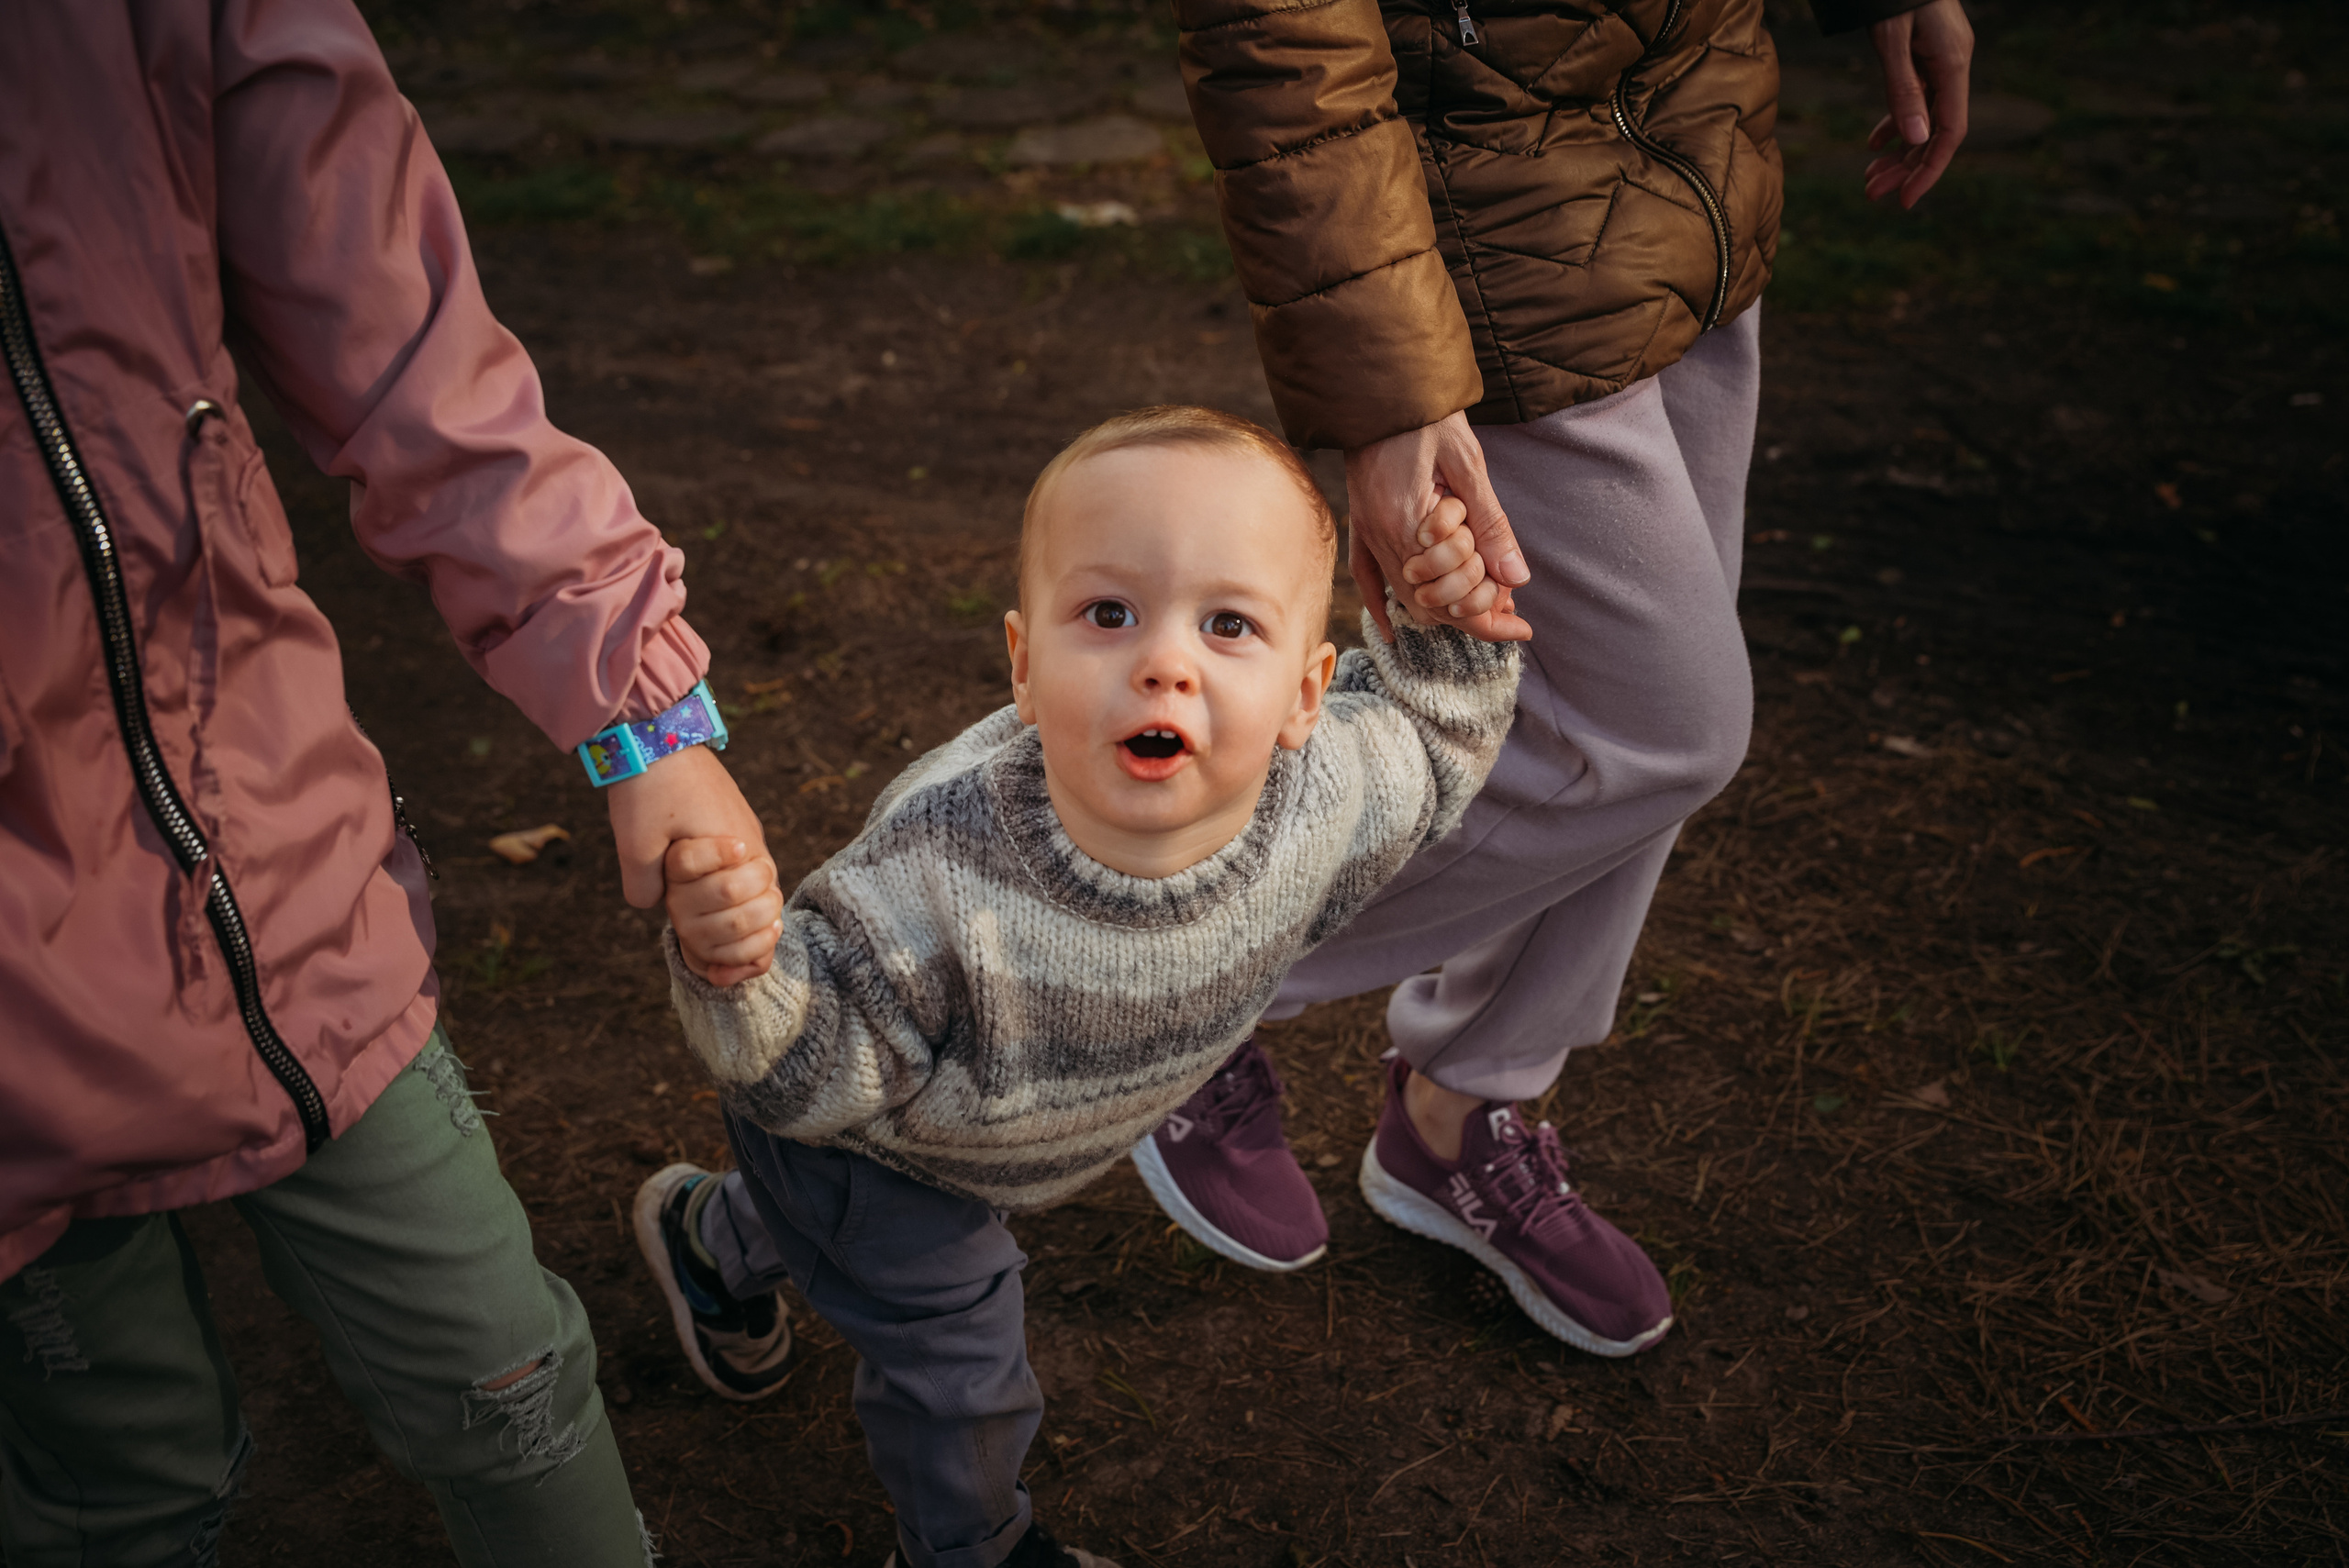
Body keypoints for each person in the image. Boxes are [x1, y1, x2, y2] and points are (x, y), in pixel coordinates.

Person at [0, 5, 774, 1563]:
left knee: (509, 1377)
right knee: (116, 1482)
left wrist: (644, 717)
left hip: (282, 871)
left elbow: (412, 347)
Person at [1139, 0, 1975, 1352]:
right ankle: (1176, 986)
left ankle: (1462, 1103)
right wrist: (1391, 386)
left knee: (1630, 711)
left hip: (1692, 149)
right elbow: (1277, 29)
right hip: (1482, 216)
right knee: (1664, 729)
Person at [632, 406, 1521, 1568]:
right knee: (958, 1359)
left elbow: (1437, 740)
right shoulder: (939, 872)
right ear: (1022, 662)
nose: (1165, 658)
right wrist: (737, 962)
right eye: (1108, 613)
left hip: (994, 1125)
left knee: (829, 1241)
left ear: (1309, 695)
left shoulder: (1325, 796)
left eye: (1228, 623)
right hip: (876, 1148)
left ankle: (712, 1238)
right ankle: (968, 1547)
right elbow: (807, 1063)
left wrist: (1445, 623)